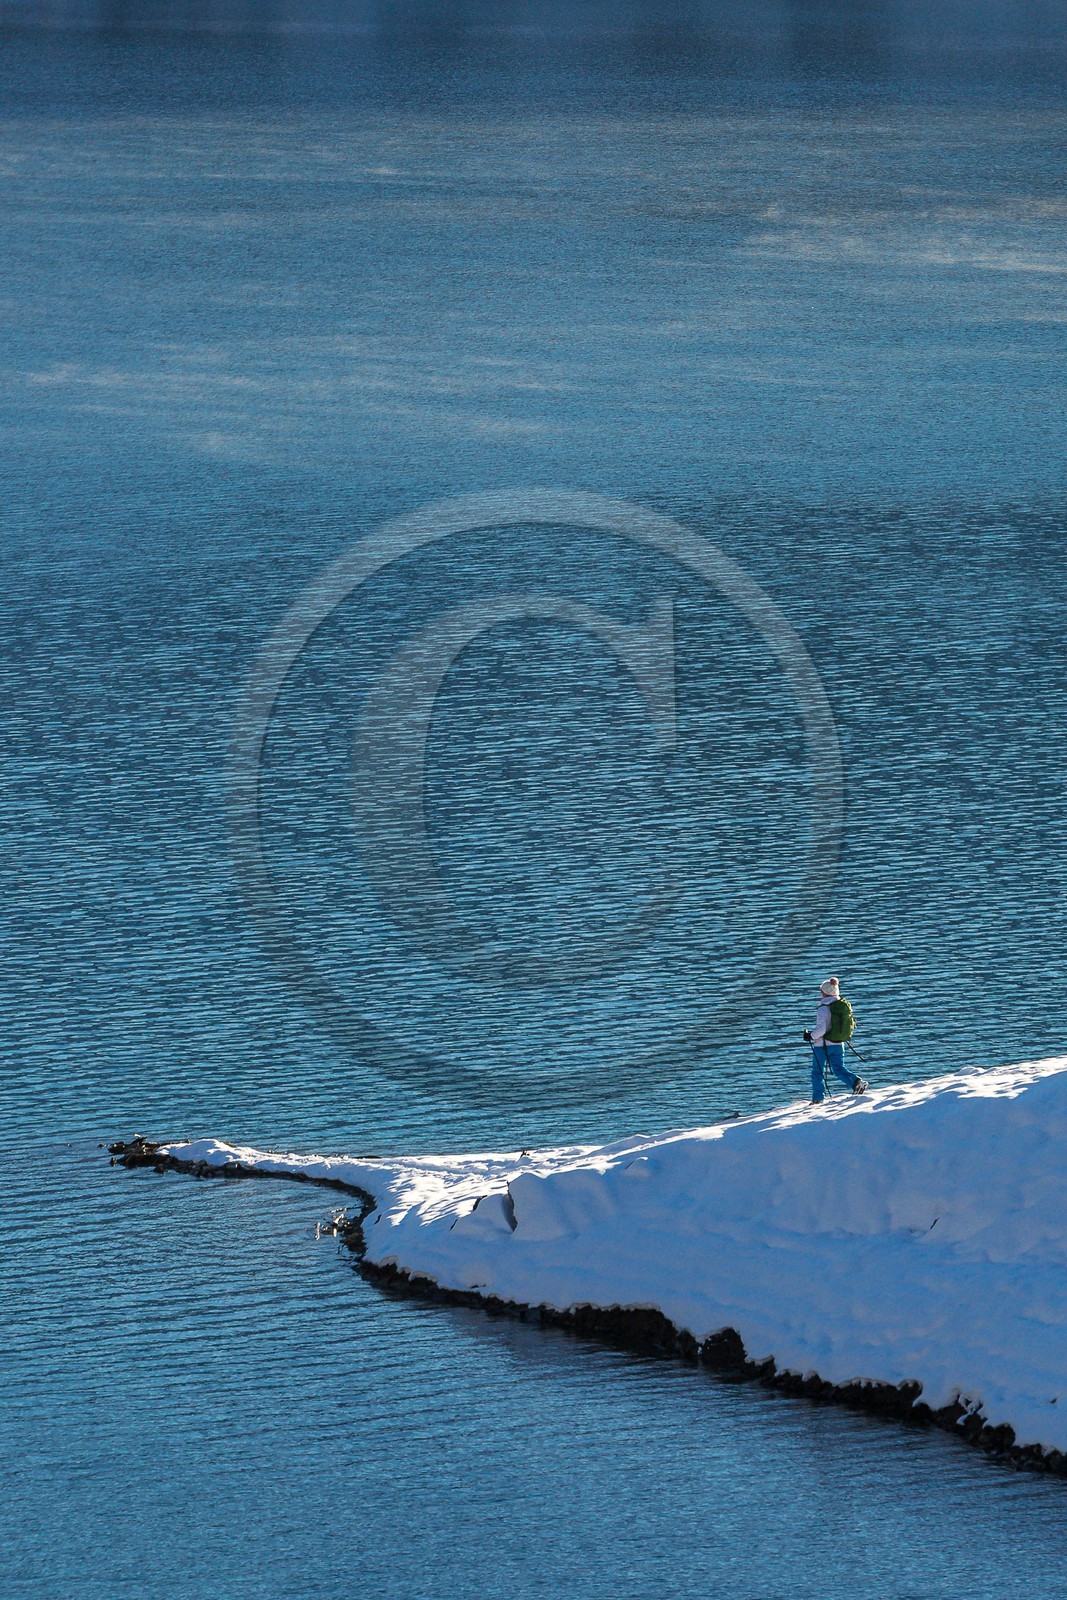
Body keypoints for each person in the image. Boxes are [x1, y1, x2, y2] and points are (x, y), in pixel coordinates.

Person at [803, 976, 868, 1104]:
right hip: (838, 1043)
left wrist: (810, 1036)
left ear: (825, 992)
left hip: (822, 1046)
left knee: (818, 1072)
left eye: (821, 991)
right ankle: (856, 1082)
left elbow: (821, 1030)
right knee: (838, 1068)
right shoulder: (840, 1006)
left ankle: (818, 1099)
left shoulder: (823, 1008)